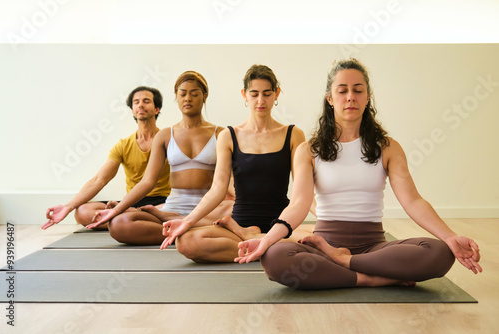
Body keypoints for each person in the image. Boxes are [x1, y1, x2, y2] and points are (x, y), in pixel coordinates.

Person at [235, 58, 482, 289]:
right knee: (275, 258)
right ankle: (371, 278)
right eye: (342, 91)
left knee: (439, 252)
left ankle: (345, 264)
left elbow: (413, 201)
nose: (350, 97)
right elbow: (299, 204)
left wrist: (450, 237)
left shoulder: (388, 147)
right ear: (330, 98)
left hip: (374, 246)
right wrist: (267, 241)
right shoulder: (308, 150)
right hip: (324, 245)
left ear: (368, 97)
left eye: (358, 90)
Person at [160, 64, 312, 263]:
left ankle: (255, 241)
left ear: (277, 94)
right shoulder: (228, 136)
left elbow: (305, 190)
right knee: (186, 241)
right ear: (244, 95)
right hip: (242, 220)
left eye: (267, 94)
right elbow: (217, 188)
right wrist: (187, 221)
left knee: (324, 238)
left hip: (281, 224)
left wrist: (331, 218)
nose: (260, 100)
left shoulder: (293, 134)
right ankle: (265, 246)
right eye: (254, 93)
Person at [87, 71, 234, 245]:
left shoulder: (221, 133)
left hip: (209, 209)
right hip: (173, 207)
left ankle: (179, 225)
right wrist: (118, 209)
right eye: (183, 94)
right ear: (176, 97)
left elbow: (229, 182)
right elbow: (147, 181)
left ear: (204, 96)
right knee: (119, 224)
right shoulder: (165, 136)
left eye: (194, 94)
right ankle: (185, 227)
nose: (188, 98)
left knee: (235, 209)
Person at [42, 86, 171, 230]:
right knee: (82, 212)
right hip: (131, 202)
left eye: (146, 101)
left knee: (170, 209)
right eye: (136, 102)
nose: (140, 104)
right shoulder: (123, 145)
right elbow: (99, 179)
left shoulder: (168, 140)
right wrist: (68, 206)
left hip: (163, 203)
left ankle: (130, 216)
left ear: (156, 109)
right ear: (133, 110)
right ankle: (133, 215)